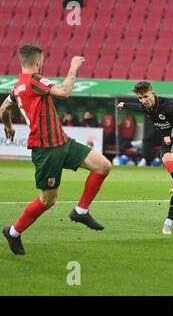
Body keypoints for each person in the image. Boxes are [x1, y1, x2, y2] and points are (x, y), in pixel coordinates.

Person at [0, 44, 111, 255]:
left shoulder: (17, 88)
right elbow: (64, 91)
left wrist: (8, 125)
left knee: (103, 166)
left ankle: (80, 211)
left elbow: (4, 108)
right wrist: (73, 68)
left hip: (63, 142)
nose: (42, 64)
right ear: (37, 62)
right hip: (46, 150)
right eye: (42, 61)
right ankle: (13, 232)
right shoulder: (34, 80)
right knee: (48, 200)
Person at [117, 81, 173, 236]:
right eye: (140, 98)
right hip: (168, 142)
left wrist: (172, 136)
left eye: (145, 96)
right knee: (168, 161)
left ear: (152, 93)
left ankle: (168, 222)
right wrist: (124, 105)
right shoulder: (145, 107)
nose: (144, 100)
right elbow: (138, 107)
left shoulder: (168, 105)